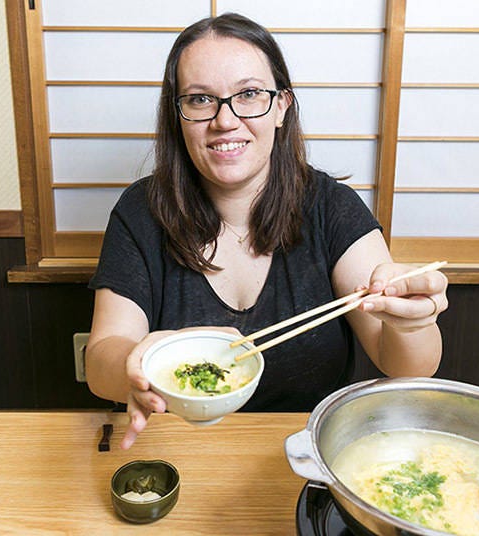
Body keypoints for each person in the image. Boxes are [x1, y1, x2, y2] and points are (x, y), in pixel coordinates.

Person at [86, 13, 448, 449]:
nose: (225, 120)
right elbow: (101, 358)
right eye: (200, 100)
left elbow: (407, 367)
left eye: (250, 94)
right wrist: (135, 359)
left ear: (281, 106)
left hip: (306, 454)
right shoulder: (141, 212)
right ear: (177, 115)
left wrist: (411, 322)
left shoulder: (330, 208)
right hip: (177, 453)